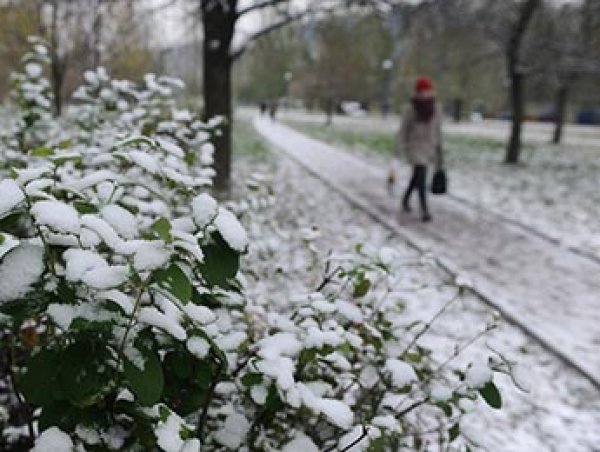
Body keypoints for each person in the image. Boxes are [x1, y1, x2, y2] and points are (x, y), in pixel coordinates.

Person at [394, 76, 443, 222]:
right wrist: (399, 148)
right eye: (421, 91)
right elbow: (403, 130)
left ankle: (405, 200)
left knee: (416, 177)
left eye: (426, 91)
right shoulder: (410, 109)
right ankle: (424, 210)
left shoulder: (437, 109)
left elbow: (438, 130)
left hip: (429, 147)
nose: (424, 94)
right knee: (421, 177)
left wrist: (439, 150)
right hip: (414, 147)